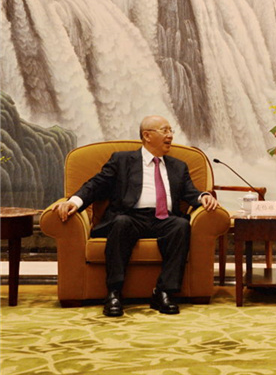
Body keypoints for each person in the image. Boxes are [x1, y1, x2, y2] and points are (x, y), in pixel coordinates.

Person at [53, 115, 219, 317]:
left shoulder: (178, 166)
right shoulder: (122, 160)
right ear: (147, 136)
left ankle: (164, 292)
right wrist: (74, 202)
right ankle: (114, 292)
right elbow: (96, 184)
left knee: (181, 226)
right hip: (130, 217)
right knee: (121, 223)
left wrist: (203, 197)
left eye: (171, 131)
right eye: (165, 130)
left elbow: (190, 192)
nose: (170, 136)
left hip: (164, 218)